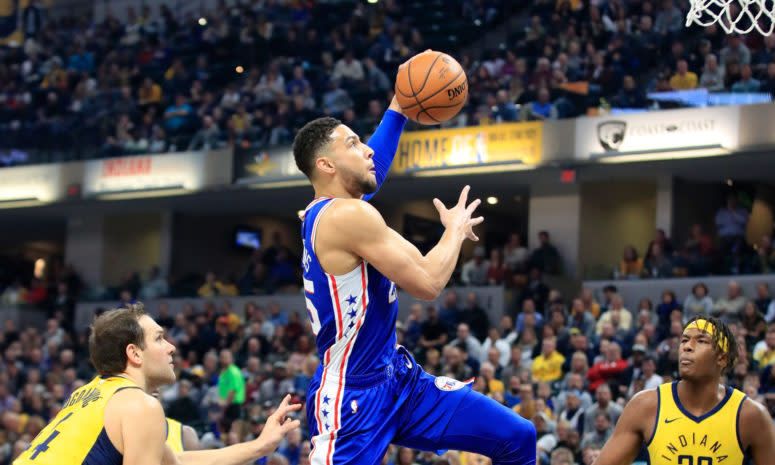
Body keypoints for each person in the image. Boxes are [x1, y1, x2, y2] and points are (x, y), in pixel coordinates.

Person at [293, 59, 536, 464]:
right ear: (326, 165)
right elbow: (427, 282)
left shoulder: (336, 210)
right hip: (351, 396)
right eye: (352, 143)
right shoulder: (346, 216)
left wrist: (401, 104)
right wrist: (455, 229)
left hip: (398, 379)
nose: (367, 148)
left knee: (518, 436)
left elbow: (377, 167)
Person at [14, 304, 300, 465]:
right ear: (134, 354)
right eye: (160, 338)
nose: (172, 347)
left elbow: (175, 463)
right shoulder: (141, 405)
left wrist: (260, 446)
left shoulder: (89, 394)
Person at [592, 315, 775, 465]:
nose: (687, 346)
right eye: (684, 340)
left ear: (722, 358)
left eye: (701, 340)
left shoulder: (751, 415)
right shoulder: (645, 405)